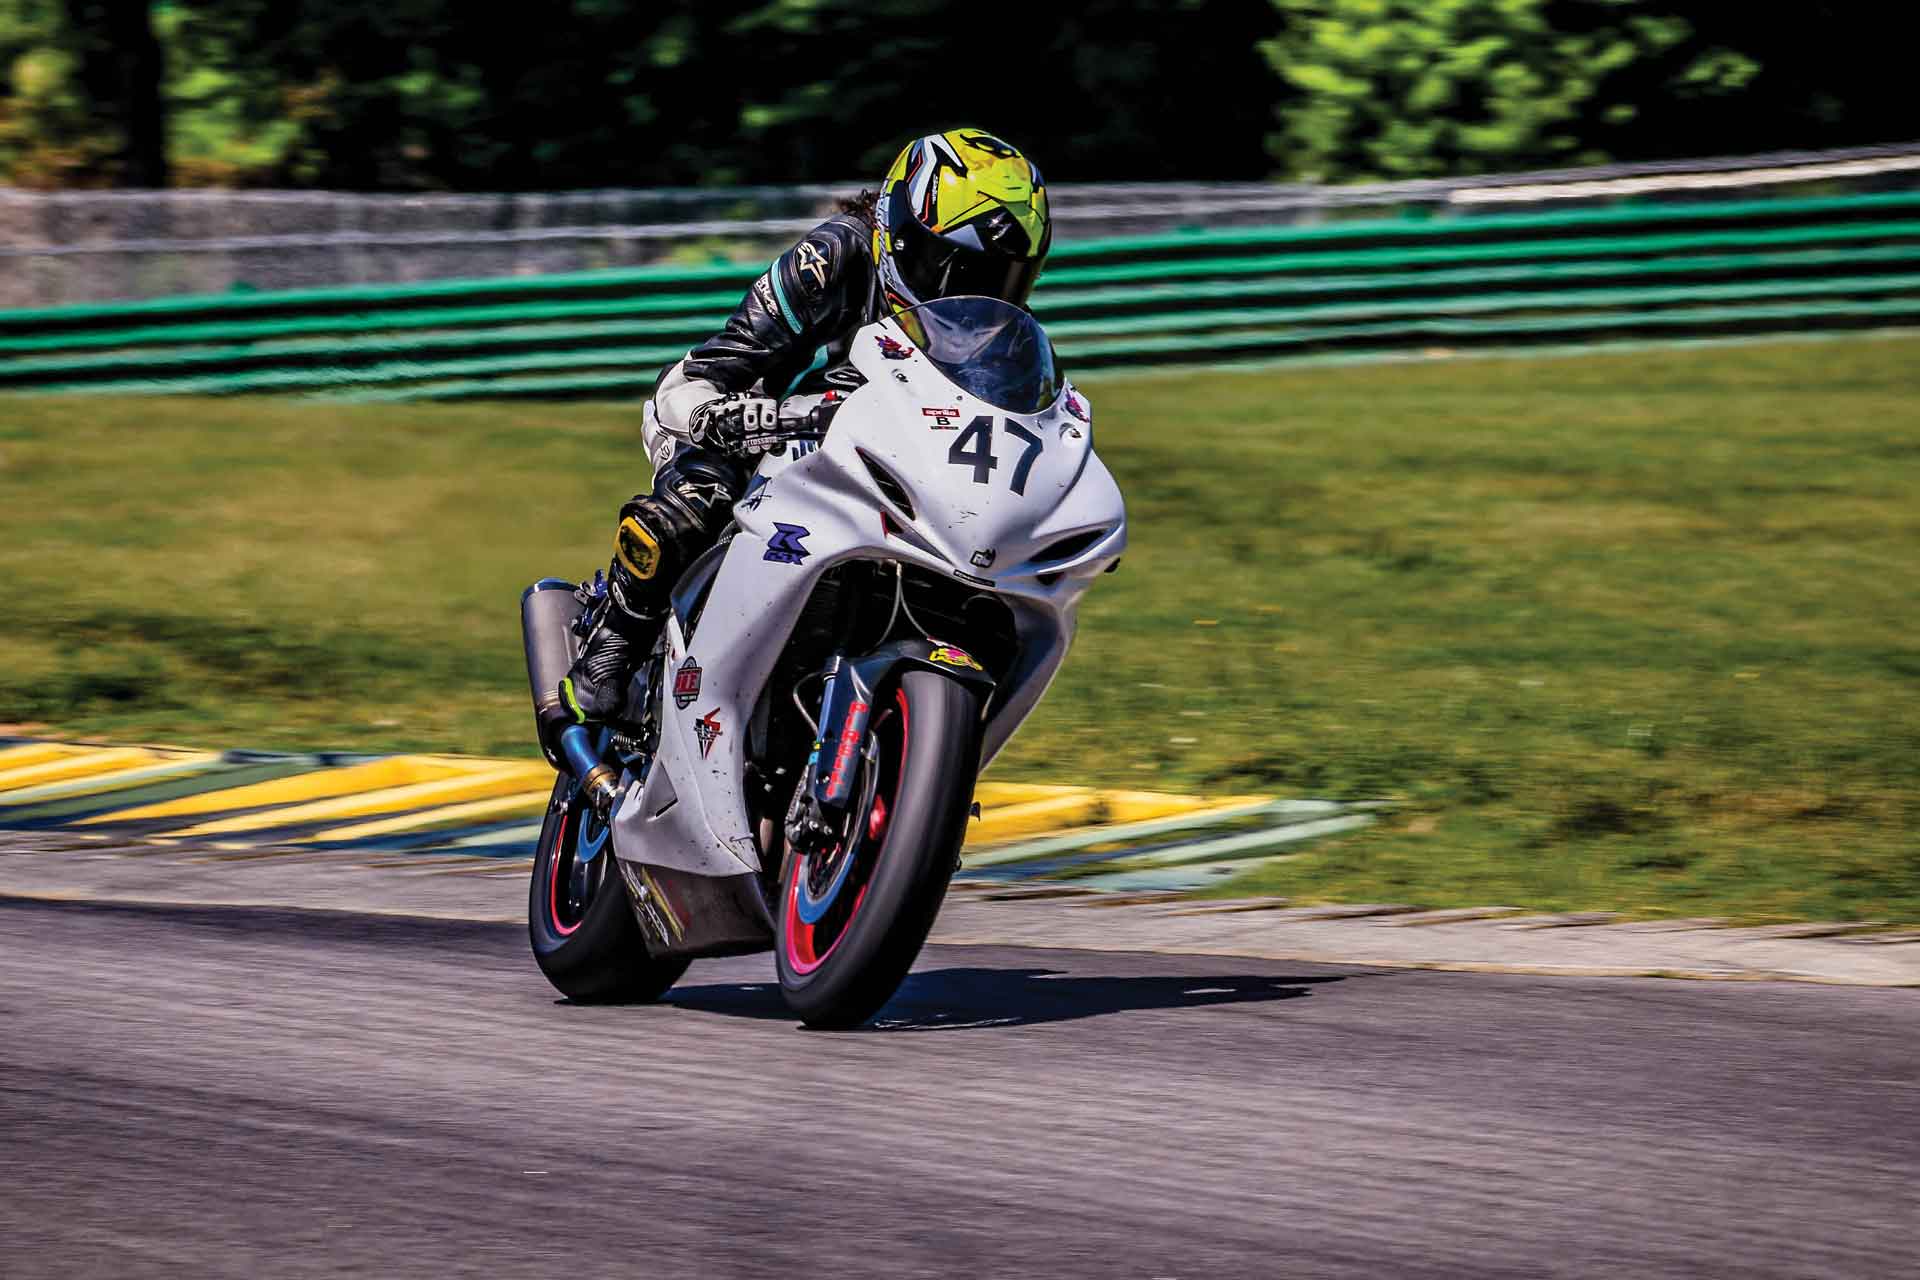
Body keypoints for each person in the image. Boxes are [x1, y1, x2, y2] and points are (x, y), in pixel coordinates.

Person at [544, 128, 1053, 742]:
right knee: (699, 501)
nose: (967, 293)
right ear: (898, 229)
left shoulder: (996, 332)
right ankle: (611, 649)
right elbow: (721, 365)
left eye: (998, 277)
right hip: (752, 417)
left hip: (887, 458)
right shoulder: (835, 258)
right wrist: (728, 417)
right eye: (951, 265)